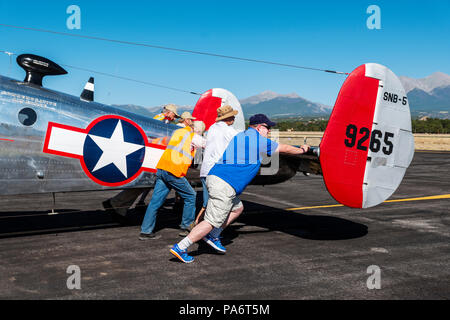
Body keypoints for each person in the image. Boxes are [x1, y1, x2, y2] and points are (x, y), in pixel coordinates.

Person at [169, 114, 310, 263]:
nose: (268, 131)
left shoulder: (240, 135)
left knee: (237, 208)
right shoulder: (257, 139)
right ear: (260, 127)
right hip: (225, 184)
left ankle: (213, 235)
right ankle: (181, 247)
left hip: (217, 179)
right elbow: (284, 148)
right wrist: (302, 150)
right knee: (211, 221)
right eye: (267, 128)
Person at [102, 104, 180, 220]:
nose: (174, 118)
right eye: (174, 115)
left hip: (152, 155)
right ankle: (116, 204)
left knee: (143, 184)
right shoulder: (160, 120)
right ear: (169, 112)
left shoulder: (163, 120)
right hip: (150, 156)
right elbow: (155, 137)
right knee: (142, 183)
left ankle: (119, 208)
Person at [139, 112, 206, 240]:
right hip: (174, 171)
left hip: (163, 168)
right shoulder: (193, 136)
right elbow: (206, 144)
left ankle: (145, 231)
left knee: (155, 202)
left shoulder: (178, 132)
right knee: (191, 196)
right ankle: (187, 226)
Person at [195, 105, 239, 225]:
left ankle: (196, 226)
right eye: (233, 116)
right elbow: (241, 144)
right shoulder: (229, 131)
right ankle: (200, 230)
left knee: (207, 203)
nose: (234, 118)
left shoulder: (213, 128)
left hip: (205, 169)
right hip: (217, 172)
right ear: (229, 118)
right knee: (219, 204)